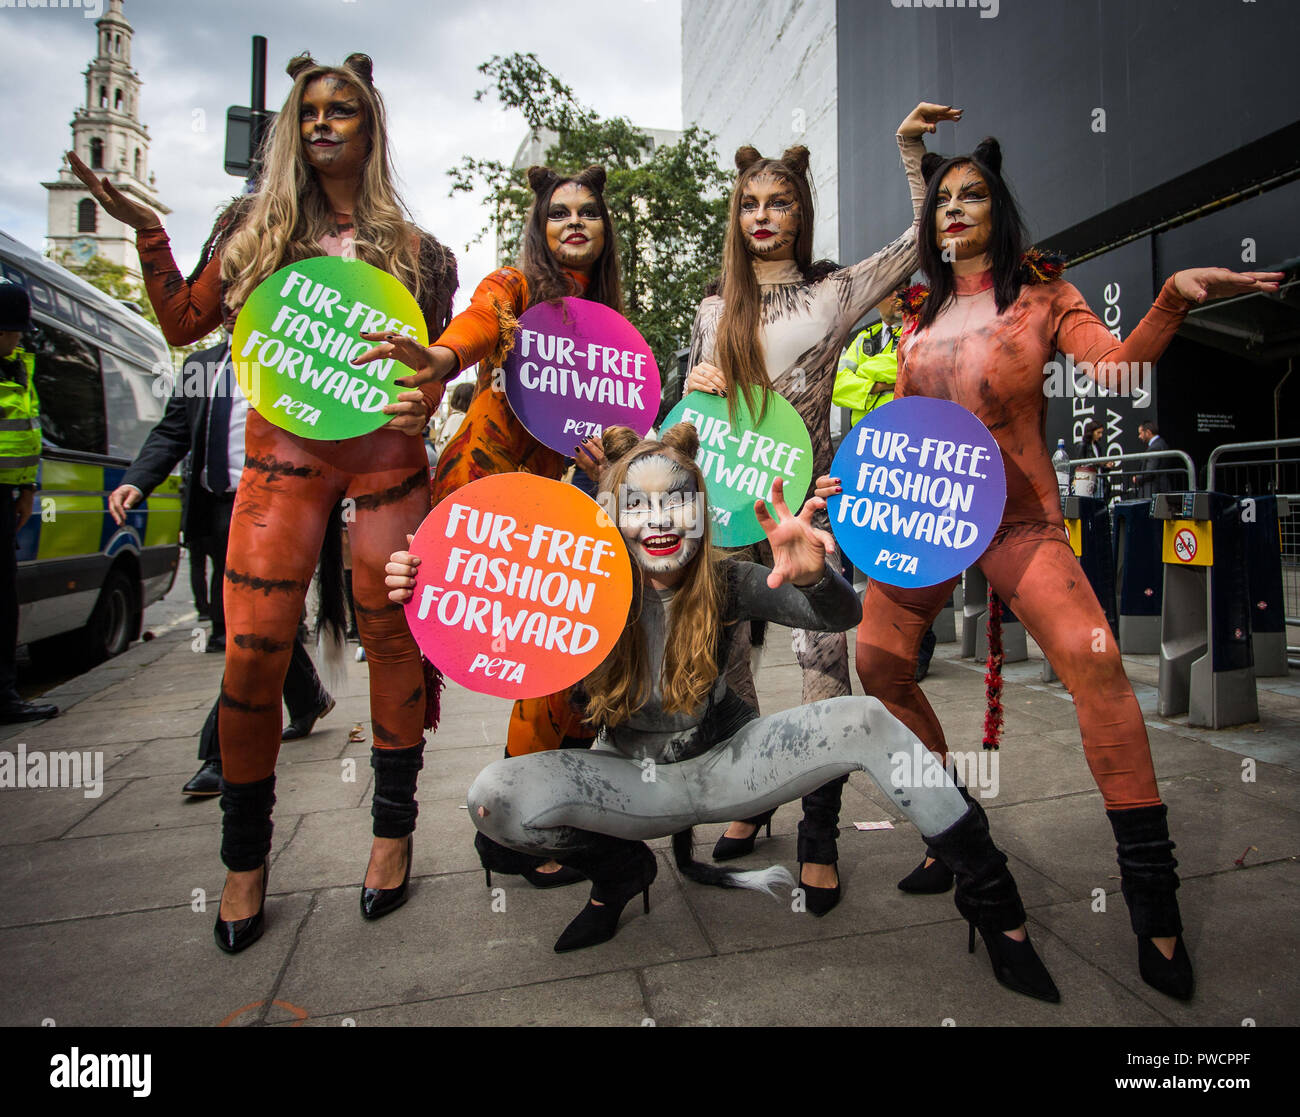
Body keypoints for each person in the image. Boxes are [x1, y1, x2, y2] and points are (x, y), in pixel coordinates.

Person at [385, 424, 1060, 1002]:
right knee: (490, 802)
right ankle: (622, 874)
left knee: (866, 718)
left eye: (677, 504)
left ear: (702, 517)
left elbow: (841, 614)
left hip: (728, 763)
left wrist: (814, 575)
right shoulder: (578, 590)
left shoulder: (726, 579)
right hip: (626, 777)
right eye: (639, 506)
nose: (659, 521)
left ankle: (994, 903)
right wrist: (426, 581)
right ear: (612, 516)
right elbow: (483, 608)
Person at [841, 134, 1281, 1000]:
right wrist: (856, 488)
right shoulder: (915, 316)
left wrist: (1171, 298)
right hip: (928, 519)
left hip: (1021, 523)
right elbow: (902, 420)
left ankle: (1156, 909)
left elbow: (1117, 368)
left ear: (999, 212)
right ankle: (955, 837)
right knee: (879, 662)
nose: (956, 207)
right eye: (943, 199)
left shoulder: (1046, 296)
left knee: (1100, 664)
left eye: (973, 194)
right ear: (931, 223)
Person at [70, 51, 458, 952]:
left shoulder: (419, 252)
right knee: (250, 655)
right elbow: (179, 322)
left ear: (371, 128)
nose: (322, 123)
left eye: (343, 111)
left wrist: (428, 394)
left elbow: (430, 372)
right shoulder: (249, 228)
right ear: (293, 124)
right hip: (280, 459)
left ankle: (392, 837)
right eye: (309, 110)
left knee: (394, 634)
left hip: (387, 461)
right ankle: (245, 861)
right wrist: (150, 235)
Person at [682, 101, 958, 907]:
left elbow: (919, 241)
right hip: (731, 518)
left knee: (821, 662)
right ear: (736, 217)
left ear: (802, 212)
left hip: (813, 508)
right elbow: (693, 429)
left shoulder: (837, 293)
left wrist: (910, 148)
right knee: (727, 665)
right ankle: (752, 795)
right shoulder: (711, 310)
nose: (763, 217)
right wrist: (696, 385)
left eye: (781, 202)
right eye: (750, 204)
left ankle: (818, 828)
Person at [355, 162, 625, 889]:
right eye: (558, 211)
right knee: (530, 660)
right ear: (539, 227)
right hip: (476, 499)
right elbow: (481, 317)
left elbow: (612, 431)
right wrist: (442, 356)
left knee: (569, 658)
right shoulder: (517, 286)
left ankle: (531, 821)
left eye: (588, 213)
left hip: (544, 510)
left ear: (605, 232)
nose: (573, 221)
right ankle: (486, 827)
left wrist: (608, 458)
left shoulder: (608, 331)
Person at [109, 337, 334, 797]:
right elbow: (172, 432)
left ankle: (219, 756)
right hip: (215, 511)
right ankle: (309, 696)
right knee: (264, 623)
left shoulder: (299, 354)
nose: (233, 303)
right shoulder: (202, 366)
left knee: (244, 629)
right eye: (226, 294)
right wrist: (137, 480)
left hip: (279, 509)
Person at [832, 286, 938, 682]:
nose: (893, 300)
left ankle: (920, 649)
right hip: (869, 457)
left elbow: (910, 370)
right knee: (877, 552)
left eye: (899, 292)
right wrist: (881, 375)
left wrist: (868, 375)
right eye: (886, 293)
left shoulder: (922, 328)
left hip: (912, 455)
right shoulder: (862, 339)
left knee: (915, 553)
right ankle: (883, 642)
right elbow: (839, 385)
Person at [0, 283, 57, 724]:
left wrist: (26, 490)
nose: (20, 338)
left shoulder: (17, 367)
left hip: (8, 493)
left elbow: (24, 434)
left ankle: (4, 696)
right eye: (17, 330)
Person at [1074, 417, 1117, 501]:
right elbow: (1081, 465)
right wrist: (1100, 463)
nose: (1100, 435)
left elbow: (1100, 468)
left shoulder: (1097, 446)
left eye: (1101, 433)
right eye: (1098, 432)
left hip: (1099, 481)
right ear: (1091, 432)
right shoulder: (1082, 446)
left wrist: (1107, 467)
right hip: (1089, 482)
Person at [1133, 419, 1173, 498]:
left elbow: (1150, 471)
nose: (1139, 436)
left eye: (1140, 433)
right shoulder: (1162, 443)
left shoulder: (1154, 447)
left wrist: (1137, 478)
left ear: (1148, 432)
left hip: (1153, 489)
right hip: (1161, 487)